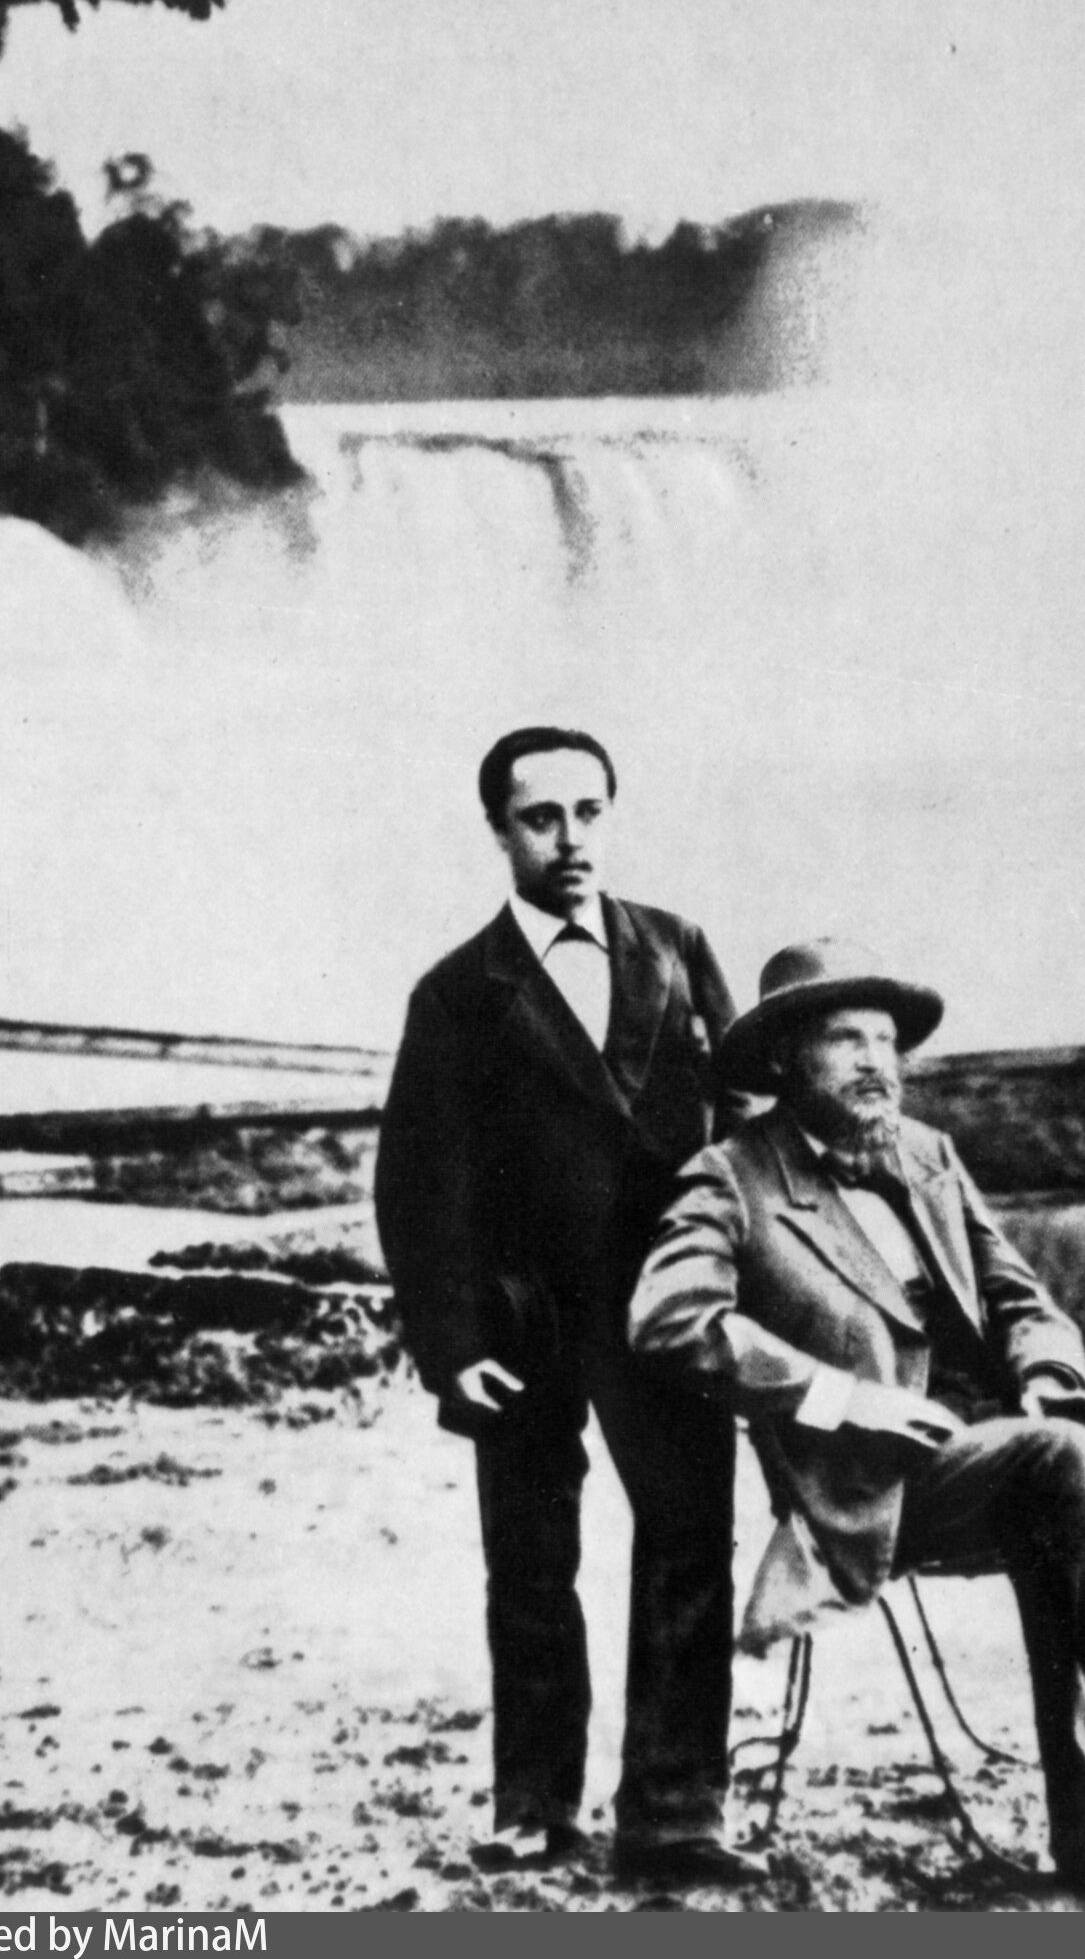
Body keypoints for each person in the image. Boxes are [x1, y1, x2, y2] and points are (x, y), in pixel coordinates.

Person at [630, 938, 1085, 1902]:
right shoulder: (733, 1177)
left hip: (991, 1454)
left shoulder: (927, 1155)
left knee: (1056, 1467)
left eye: (886, 1041)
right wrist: (843, 1398)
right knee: (1059, 1468)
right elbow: (670, 1320)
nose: (876, 1062)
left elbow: (1019, 1298)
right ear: (784, 1059)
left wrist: (1046, 1371)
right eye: (846, 1039)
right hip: (859, 1486)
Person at [371, 725, 757, 1886]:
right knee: (531, 1559)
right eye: (541, 817)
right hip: (523, 1317)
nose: (570, 837)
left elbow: (743, 1125)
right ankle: (536, 1804)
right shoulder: (457, 991)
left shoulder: (676, 947)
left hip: (668, 1306)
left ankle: (676, 1814)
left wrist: (745, 1281)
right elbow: (417, 1180)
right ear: (499, 828)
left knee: (689, 1541)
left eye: (589, 811)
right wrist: (450, 1344)